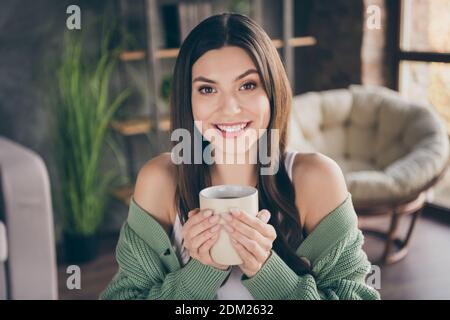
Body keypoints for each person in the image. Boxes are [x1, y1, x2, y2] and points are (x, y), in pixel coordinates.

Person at [100, 13, 380, 300]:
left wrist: (267, 272)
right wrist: (202, 271)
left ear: (272, 93)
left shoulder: (316, 179)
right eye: (207, 89)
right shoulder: (160, 181)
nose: (229, 108)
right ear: (189, 100)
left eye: (247, 85)